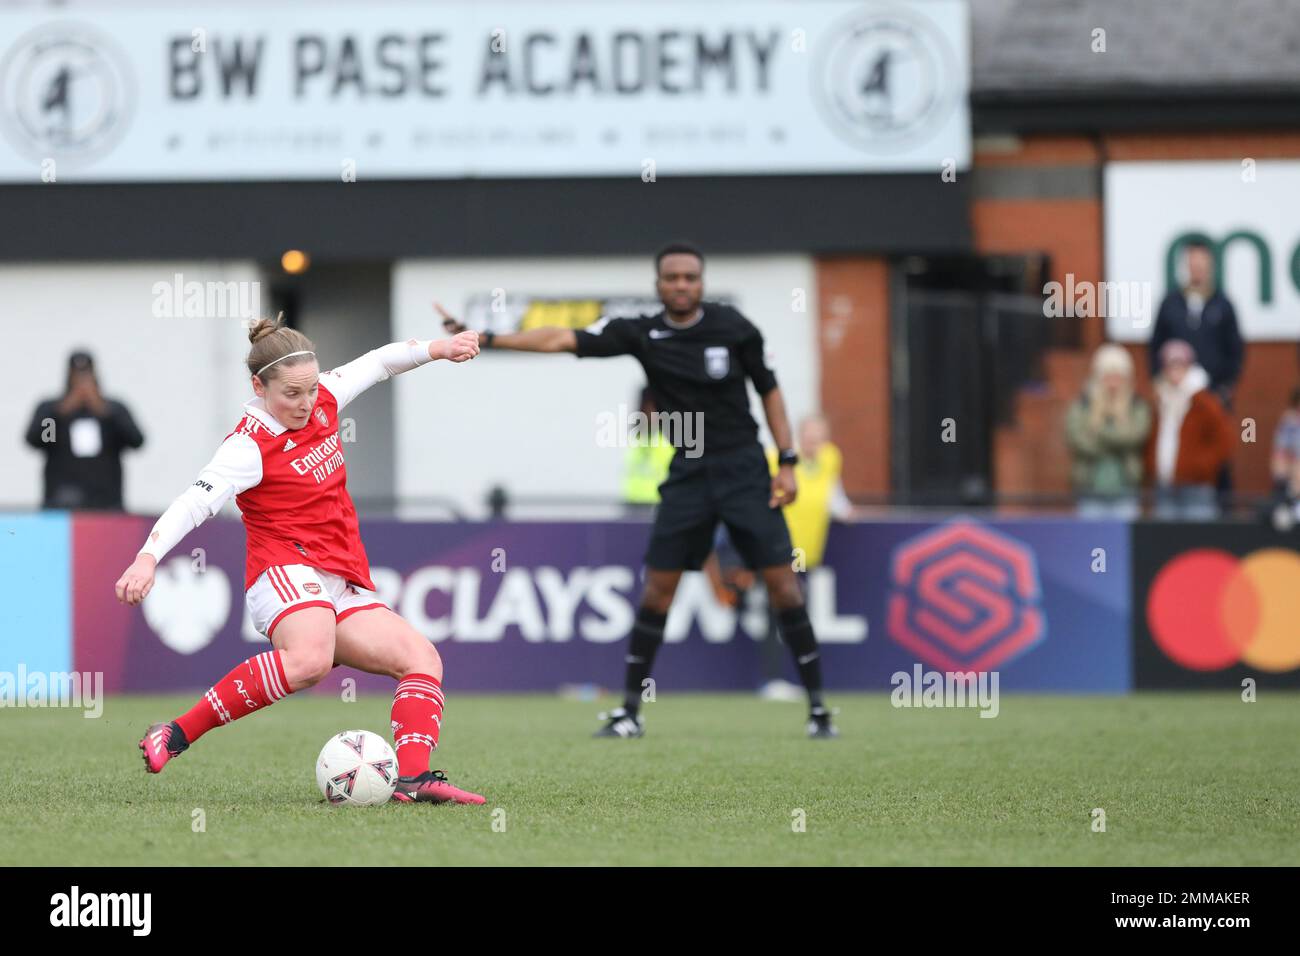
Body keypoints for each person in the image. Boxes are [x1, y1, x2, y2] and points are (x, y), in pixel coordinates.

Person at [439, 241, 837, 739]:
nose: (681, 285)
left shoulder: (734, 329)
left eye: (690, 277)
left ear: (701, 282)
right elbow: (562, 338)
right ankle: (630, 711)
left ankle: (819, 710)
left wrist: (789, 461)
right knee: (657, 591)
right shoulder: (643, 333)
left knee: (782, 585)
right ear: (658, 285)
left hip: (746, 472)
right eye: (672, 278)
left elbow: (770, 391)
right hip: (688, 474)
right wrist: (489, 338)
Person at [114, 316, 486, 804]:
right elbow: (193, 502)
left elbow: (378, 361)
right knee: (311, 660)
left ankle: (414, 778)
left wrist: (438, 347)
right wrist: (147, 557)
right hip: (281, 569)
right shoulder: (248, 446)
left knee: (421, 659)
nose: (306, 402)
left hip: (337, 576)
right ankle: (176, 733)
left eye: (311, 388)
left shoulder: (325, 397)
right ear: (258, 386)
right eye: (292, 393)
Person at [24, 351, 145, 509]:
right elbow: (36, 441)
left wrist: (106, 412)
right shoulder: (52, 409)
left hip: (107, 502)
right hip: (60, 501)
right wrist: (59, 412)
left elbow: (136, 441)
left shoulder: (114, 410)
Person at [1144, 339, 1233, 520]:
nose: (1174, 370)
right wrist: (1152, 465)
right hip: (1165, 486)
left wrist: (1200, 468)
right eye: (1170, 365)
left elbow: (1225, 441)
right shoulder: (1159, 399)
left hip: (1196, 488)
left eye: (1180, 364)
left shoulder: (1204, 401)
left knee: (1197, 540)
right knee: (1166, 541)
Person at [1149, 240, 1244, 405]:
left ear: (1210, 265)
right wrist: (1160, 379)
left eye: (1202, 262)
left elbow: (1235, 349)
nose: (1197, 267)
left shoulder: (1223, 304)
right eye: (1193, 262)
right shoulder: (1170, 303)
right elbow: (1156, 344)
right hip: (1175, 394)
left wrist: (1225, 386)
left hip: (1213, 394)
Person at [1064, 343, 1151, 519]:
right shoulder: (1083, 405)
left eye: (1118, 377)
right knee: (1091, 542)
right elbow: (1077, 439)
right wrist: (1118, 439)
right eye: (1107, 377)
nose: (1113, 383)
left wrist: (1099, 432)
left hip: (1125, 490)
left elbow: (1135, 437)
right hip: (1090, 489)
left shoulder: (1136, 405)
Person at [622, 386, 677, 515]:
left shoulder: (669, 439)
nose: (651, 413)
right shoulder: (637, 438)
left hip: (659, 505)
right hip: (633, 504)